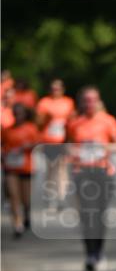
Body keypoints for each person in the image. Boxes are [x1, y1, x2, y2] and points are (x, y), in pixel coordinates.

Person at [66, 86, 116, 271]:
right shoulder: (75, 123)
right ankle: (89, 254)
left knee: (99, 215)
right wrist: (74, 152)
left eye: (93, 100)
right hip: (82, 173)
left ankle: (99, 252)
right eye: (86, 100)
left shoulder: (108, 121)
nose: (90, 103)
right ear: (82, 102)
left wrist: (103, 148)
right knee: (86, 214)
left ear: (98, 101)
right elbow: (67, 147)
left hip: (102, 172)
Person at [1, 102, 40, 237]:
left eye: (20, 113)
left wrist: (27, 146)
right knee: (13, 195)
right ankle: (17, 224)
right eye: (15, 113)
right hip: (10, 167)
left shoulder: (31, 128)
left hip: (26, 167)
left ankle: (27, 214)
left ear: (24, 115)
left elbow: (38, 144)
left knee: (25, 199)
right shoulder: (7, 130)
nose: (18, 116)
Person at [36, 78, 75, 207]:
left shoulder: (68, 102)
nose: (55, 91)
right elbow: (38, 123)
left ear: (63, 89)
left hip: (63, 139)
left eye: (58, 88)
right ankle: (50, 196)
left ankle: (61, 197)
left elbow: (72, 121)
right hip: (48, 139)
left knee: (63, 168)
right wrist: (46, 118)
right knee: (51, 168)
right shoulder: (44, 102)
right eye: (53, 89)